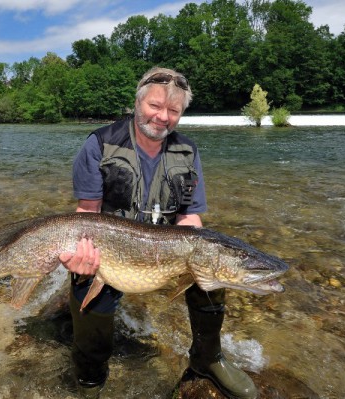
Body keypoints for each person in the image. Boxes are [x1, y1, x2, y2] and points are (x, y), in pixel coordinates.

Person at [59, 67, 257, 399]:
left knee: (213, 263)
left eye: (173, 111)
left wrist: (199, 254)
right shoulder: (99, 144)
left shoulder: (189, 151)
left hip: (166, 251)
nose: (163, 117)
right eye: (155, 106)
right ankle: (90, 378)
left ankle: (207, 359)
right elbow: (87, 213)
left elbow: (190, 217)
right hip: (108, 251)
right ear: (137, 103)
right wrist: (78, 258)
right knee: (87, 312)